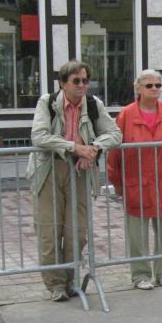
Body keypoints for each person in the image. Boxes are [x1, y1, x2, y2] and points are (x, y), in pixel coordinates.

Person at [28, 60, 122, 302]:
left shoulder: (93, 104)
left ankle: (71, 280)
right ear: (63, 83)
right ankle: (55, 285)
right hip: (49, 170)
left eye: (85, 80)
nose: (82, 85)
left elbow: (115, 134)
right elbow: (39, 136)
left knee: (77, 231)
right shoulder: (47, 102)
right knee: (50, 230)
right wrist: (73, 147)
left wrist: (93, 149)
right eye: (76, 81)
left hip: (80, 172)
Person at [107, 69, 162, 290]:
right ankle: (140, 275)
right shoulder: (126, 115)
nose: (155, 89)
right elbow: (114, 152)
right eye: (149, 85)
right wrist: (116, 182)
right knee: (137, 234)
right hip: (136, 182)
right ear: (138, 88)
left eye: (158, 85)